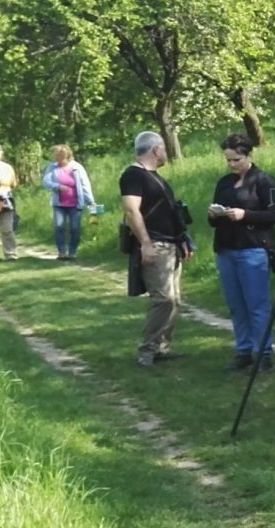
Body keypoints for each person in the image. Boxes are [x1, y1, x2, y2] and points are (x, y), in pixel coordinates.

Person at [209, 133, 275, 372]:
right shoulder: (224, 183)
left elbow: (274, 215)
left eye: (236, 159)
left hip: (254, 249)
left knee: (257, 304)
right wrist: (214, 215)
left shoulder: (263, 180)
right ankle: (243, 350)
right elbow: (214, 221)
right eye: (228, 160)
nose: (232, 165)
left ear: (249, 155)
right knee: (236, 304)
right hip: (227, 248)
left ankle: (263, 352)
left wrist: (245, 215)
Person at [120, 130, 190, 368]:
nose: (166, 153)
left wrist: (182, 239)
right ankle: (147, 350)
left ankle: (162, 347)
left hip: (170, 244)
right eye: (163, 148)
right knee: (163, 299)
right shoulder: (133, 175)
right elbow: (131, 210)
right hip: (156, 244)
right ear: (155, 149)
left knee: (174, 300)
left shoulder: (156, 177)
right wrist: (146, 244)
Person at [40, 144, 96, 261]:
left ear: (67, 156)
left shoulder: (77, 168)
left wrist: (90, 201)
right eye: (57, 156)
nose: (59, 159)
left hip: (75, 204)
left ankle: (72, 252)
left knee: (75, 228)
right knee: (59, 227)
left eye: (61, 156)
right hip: (59, 204)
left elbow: (85, 184)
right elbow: (46, 182)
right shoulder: (52, 167)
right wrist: (58, 186)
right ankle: (62, 252)